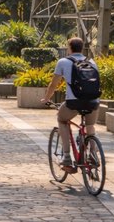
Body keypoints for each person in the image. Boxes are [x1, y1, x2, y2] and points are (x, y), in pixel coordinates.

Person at [42, 37, 101, 173]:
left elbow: (54, 84)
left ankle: (67, 157)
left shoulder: (63, 62)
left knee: (62, 119)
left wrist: (46, 98)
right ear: (82, 48)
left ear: (69, 48)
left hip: (74, 102)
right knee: (90, 125)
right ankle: (93, 153)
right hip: (93, 101)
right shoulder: (92, 62)